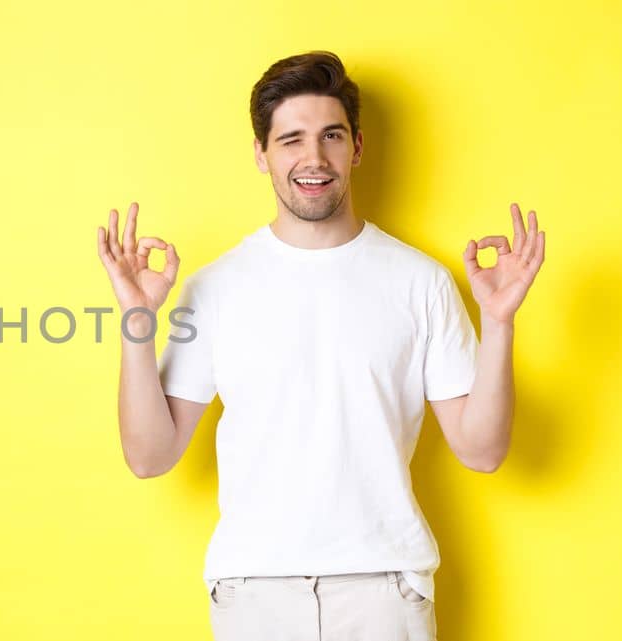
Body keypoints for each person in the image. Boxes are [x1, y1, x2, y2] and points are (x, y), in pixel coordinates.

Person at [94, 50, 546, 641]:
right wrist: (136, 321)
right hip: (254, 594)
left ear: (356, 147)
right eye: (291, 140)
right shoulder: (215, 287)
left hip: (384, 590)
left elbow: (482, 451)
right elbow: (149, 457)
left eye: (331, 135)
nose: (313, 158)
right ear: (261, 154)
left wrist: (500, 323)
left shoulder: (421, 281)